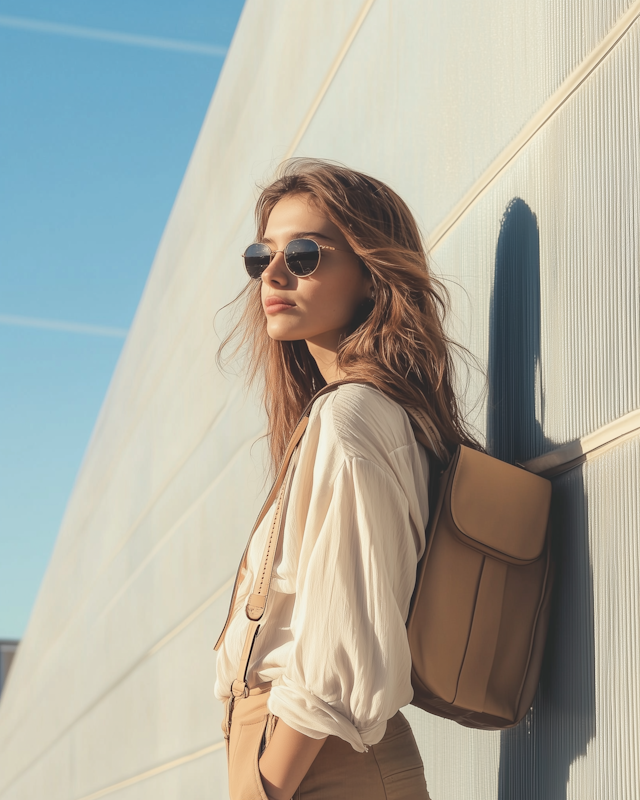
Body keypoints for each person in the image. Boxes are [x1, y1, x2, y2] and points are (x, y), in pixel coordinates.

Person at [214, 159, 483, 800]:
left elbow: (343, 639)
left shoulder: (353, 416)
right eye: (262, 257)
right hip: (295, 757)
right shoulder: (343, 413)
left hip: (318, 765)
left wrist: (267, 785)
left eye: (305, 254)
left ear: (369, 274)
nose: (274, 275)